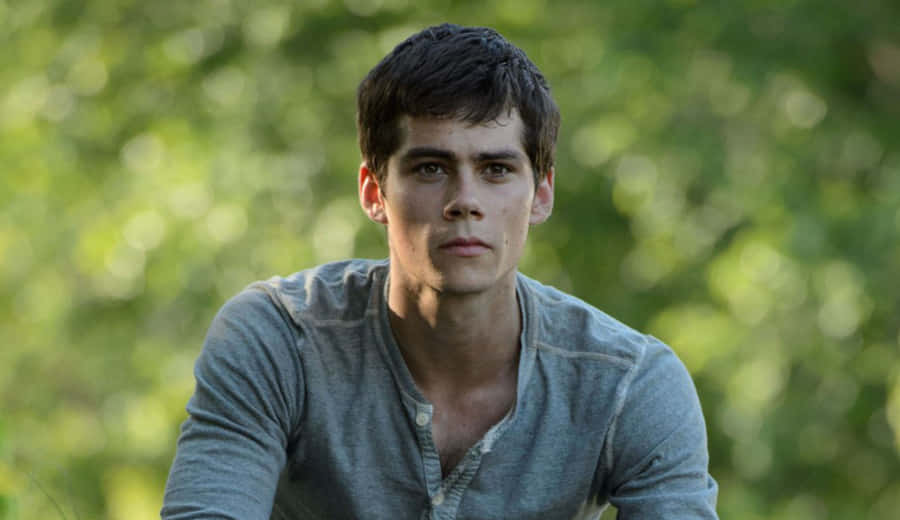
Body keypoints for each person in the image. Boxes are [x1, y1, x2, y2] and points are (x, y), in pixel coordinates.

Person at [161, 23, 718, 519]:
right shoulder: (278, 340)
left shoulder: (629, 384)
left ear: (541, 194)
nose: (464, 201)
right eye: (430, 168)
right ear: (374, 191)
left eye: (496, 169)